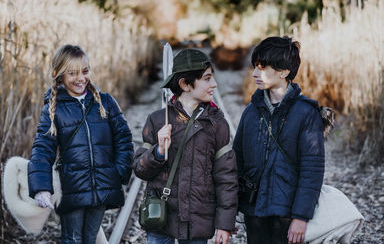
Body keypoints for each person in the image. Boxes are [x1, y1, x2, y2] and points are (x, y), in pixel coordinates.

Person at [28, 45, 133, 244]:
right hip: (72, 188)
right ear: (59, 75)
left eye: (85, 71)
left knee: (90, 238)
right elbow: (43, 148)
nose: (81, 78)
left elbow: (124, 138)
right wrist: (41, 187)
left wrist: (118, 171)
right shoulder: (54, 109)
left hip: (102, 185)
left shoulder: (105, 102)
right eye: (72, 73)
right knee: (73, 239)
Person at [133, 48, 238, 244]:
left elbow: (227, 178)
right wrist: (158, 151)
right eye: (207, 79)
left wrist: (225, 224)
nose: (214, 84)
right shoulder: (157, 120)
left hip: (197, 222)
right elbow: (140, 170)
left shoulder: (217, 124)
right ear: (185, 84)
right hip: (160, 219)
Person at [233, 36, 325, 244]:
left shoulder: (306, 113)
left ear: (283, 72)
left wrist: (301, 217)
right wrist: (230, 210)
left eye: (262, 68)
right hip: (254, 211)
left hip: (287, 213)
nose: (255, 73)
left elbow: (313, 170)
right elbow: (237, 160)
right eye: (255, 67)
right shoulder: (251, 111)